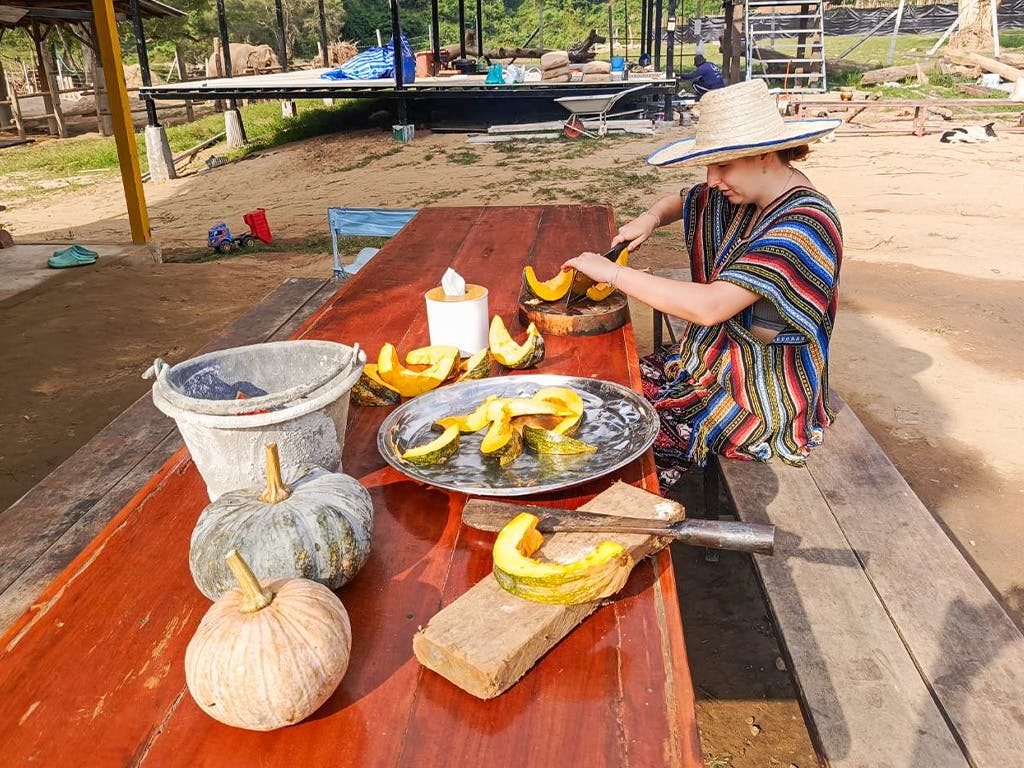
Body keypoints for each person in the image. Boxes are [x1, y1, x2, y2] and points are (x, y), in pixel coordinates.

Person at [562, 79, 843, 481]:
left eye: (722, 164)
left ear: (764, 154)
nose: (712, 179)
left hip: (761, 391)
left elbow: (710, 306)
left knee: (620, 438)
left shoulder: (803, 227)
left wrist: (614, 274)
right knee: (608, 391)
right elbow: (688, 198)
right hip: (713, 360)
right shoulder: (751, 192)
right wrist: (651, 218)